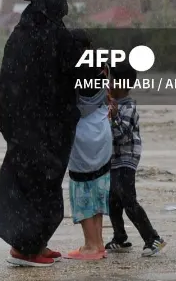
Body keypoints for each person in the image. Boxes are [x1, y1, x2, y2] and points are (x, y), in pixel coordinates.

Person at [0, 0, 84, 267]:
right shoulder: (56, 36)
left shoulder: (19, 36)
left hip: (23, 126)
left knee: (27, 185)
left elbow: (7, 84)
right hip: (47, 128)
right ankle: (26, 249)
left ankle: (35, 244)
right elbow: (75, 74)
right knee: (43, 187)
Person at [105, 61, 166, 257]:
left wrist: (113, 117)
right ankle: (120, 238)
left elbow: (122, 135)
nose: (108, 84)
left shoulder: (128, 107)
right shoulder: (110, 104)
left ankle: (153, 238)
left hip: (126, 159)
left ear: (122, 85)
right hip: (113, 160)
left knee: (128, 201)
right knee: (112, 201)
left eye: (111, 80)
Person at [64, 28, 112, 261]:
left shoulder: (72, 70)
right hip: (102, 133)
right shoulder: (100, 66)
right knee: (98, 188)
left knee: (82, 190)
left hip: (82, 138)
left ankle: (90, 246)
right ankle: (99, 243)